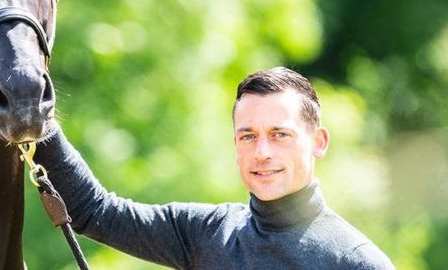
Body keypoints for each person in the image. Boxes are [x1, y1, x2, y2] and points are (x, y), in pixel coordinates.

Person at [36, 67, 394, 269]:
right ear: (236, 148)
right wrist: (37, 122)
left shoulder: (356, 263)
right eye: (248, 136)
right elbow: (94, 211)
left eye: (280, 134)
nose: (262, 152)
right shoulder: (206, 233)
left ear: (318, 142)